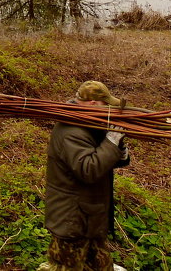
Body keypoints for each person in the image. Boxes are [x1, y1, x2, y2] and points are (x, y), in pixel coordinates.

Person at [40, 81, 130, 271]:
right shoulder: (70, 131)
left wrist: (120, 150)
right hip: (72, 219)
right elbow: (88, 169)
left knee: (102, 266)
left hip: (89, 216)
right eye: (105, 104)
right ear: (92, 104)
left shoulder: (86, 122)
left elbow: (101, 156)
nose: (108, 109)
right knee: (67, 266)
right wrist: (111, 142)